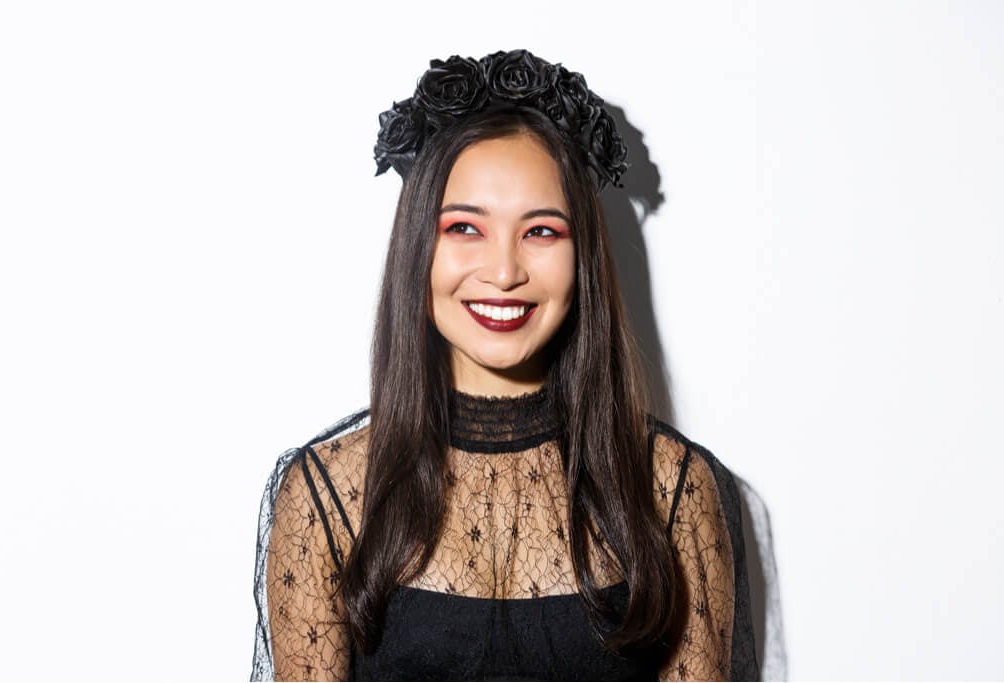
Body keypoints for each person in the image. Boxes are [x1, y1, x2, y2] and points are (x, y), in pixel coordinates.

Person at [250, 49, 759, 681]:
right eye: (466, 228)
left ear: (584, 256)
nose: (504, 272)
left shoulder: (669, 490)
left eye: (541, 232)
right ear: (419, 248)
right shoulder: (329, 495)